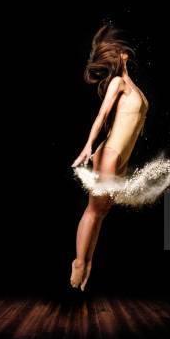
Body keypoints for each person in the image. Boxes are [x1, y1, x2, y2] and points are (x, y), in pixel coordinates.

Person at [70, 25, 148, 291]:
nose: (126, 54)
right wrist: (87, 146)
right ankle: (79, 262)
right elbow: (102, 117)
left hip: (121, 156)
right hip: (110, 153)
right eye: (123, 51)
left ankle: (88, 260)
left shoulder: (131, 85)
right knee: (94, 210)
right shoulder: (118, 82)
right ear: (121, 55)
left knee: (102, 211)